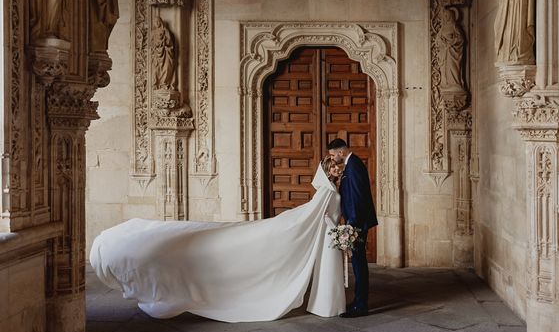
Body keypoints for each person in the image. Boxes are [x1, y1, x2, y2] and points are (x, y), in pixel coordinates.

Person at [90, 159, 345, 321]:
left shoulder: (329, 191)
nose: (336, 169)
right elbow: (316, 215)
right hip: (308, 228)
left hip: (324, 233)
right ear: (325, 171)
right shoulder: (326, 192)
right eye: (331, 167)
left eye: (336, 166)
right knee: (236, 240)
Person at [327, 138, 378, 318]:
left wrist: (351, 225)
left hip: (356, 223)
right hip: (355, 221)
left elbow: (357, 197)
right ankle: (358, 301)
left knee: (358, 264)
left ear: (341, 152)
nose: (333, 159)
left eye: (333, 155)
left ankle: (361, 306)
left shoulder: (354, 166)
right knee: (358, 262)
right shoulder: (351, 165)